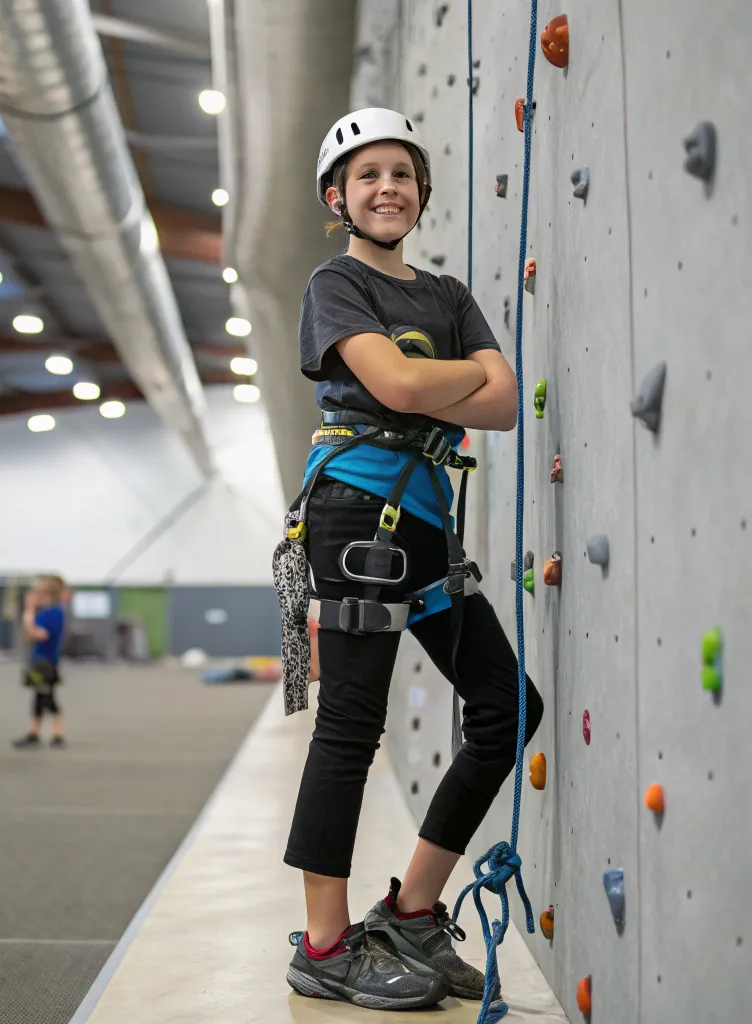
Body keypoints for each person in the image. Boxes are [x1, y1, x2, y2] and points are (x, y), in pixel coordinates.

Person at [281, 108, 544, 1010]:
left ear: (421, 193)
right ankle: (323, 943)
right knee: (352, 726)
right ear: (338, 197)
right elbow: (396, 386)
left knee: (509, 708)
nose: (386, 186)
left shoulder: (448, 294)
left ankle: (413, 912)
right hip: (356, 513)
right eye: (367, 176)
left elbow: (505, 406)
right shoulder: (335, 283)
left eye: (401, 173)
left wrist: (448, 383)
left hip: (426, 522)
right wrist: (455, 381)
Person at [12, 575, 68, 749]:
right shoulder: (44, 613)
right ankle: (40, 732)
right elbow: (29, 635)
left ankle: (52, 733)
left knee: (46, 697)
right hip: (39, 661)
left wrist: (28, 612)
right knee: (41, 697)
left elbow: (40, 635)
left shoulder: (54, 613)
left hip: (46, 662)